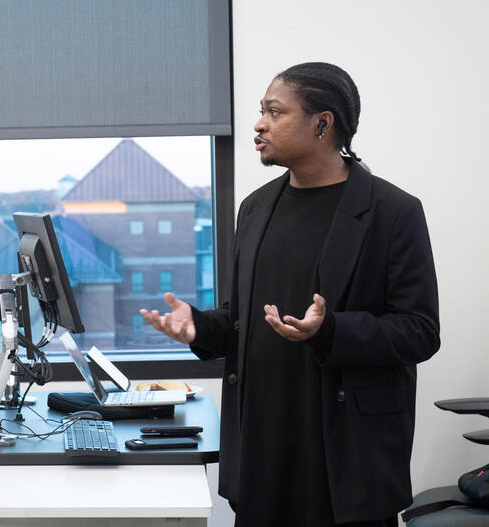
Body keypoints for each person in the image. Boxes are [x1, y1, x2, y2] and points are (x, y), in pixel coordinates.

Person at [140, 62, 440, 527]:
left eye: (274, 112)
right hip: (263, 451)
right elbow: (241, 320)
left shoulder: (393, 211)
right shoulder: (256, 207)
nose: (259, 123)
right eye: (261, 111)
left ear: (322, 124)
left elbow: (420, 332)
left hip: (346, 461)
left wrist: (331, 330)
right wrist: (200, 326)